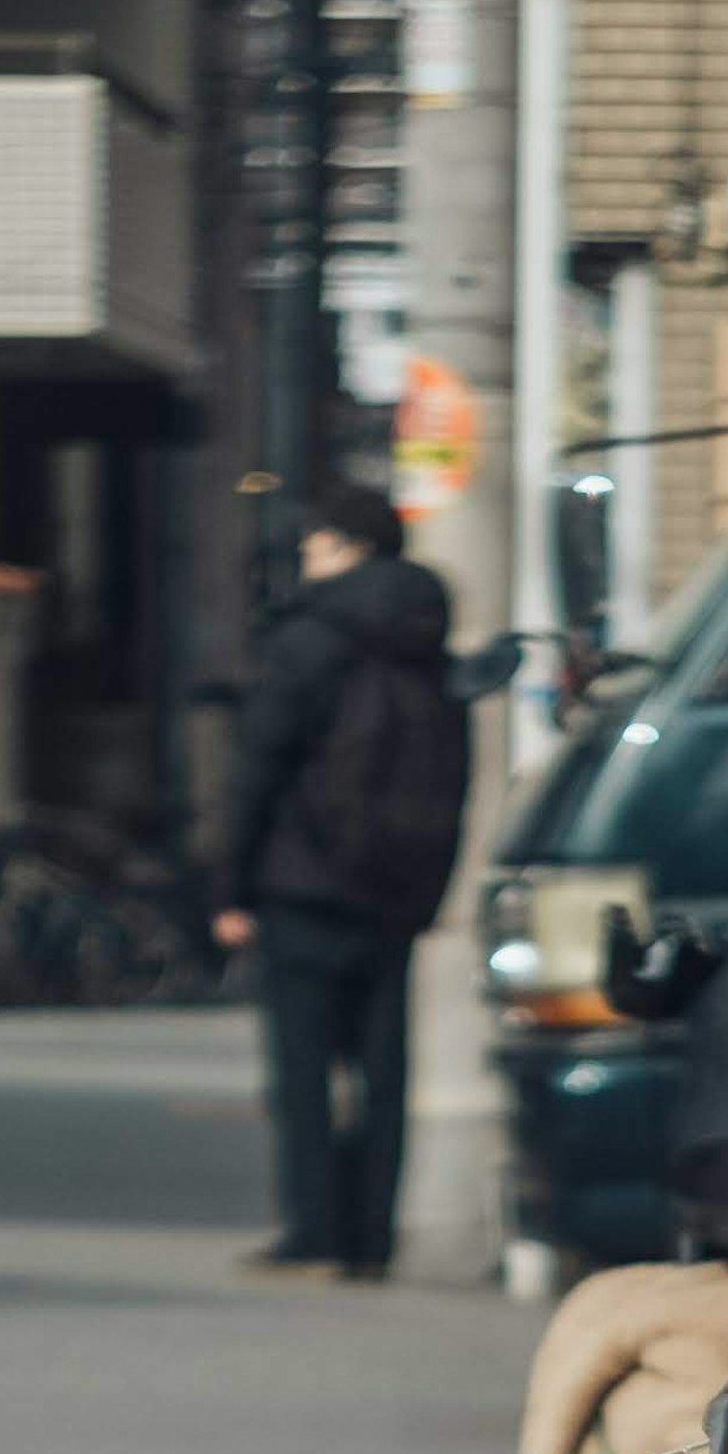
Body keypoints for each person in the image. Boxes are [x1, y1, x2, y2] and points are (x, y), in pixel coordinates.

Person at [210, 491, 472, 1283]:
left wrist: (230, 886)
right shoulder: (430, 639)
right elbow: (456, 769)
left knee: (303, 1068)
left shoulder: (308, 638)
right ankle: (371, 1239)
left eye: (313, 542)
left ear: (346, 544)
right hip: (397, 885)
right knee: (382, 1072)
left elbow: (258, 767)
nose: (306, 557)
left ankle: (316, 1231)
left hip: (304, 880)